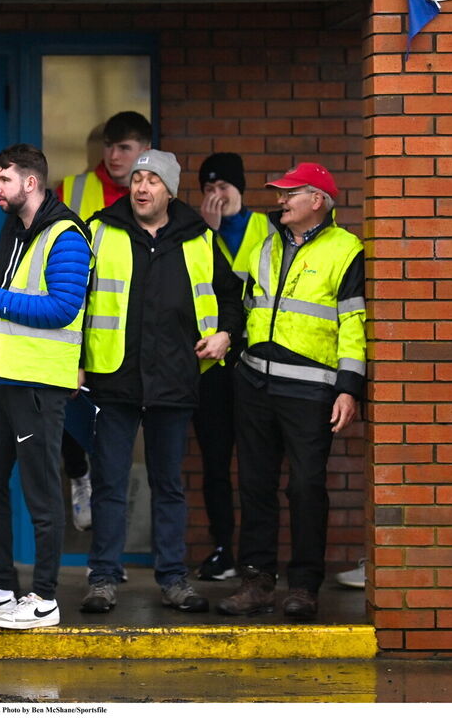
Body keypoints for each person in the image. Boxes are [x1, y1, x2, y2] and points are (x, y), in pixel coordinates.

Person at [79, 149, 244, 615]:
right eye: (137, 179)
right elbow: (77, 299)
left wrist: (225, 336)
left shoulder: (199, 237)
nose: (142, 187)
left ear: (170, 190)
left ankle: (173, 579)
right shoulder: (99, 230)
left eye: (152, 180)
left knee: (168, 483)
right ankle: (104, 578)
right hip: (114, 375)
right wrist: (74, 361)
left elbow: (232, 296)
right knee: (109, 482)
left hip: (175, 377)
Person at [0, 143, 90, 630]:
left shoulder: (65, 235)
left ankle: (44, 598)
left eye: (3, 179)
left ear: (31, 182)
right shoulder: (14, 231)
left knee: (42, 495)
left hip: (36, 384)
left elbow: (63, 307)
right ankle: (1, 589)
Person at [217, 163, 365, 620]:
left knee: (305, 487)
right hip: (255, 381)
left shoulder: (347, 250)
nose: (281, 200)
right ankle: (257, 582)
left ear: (317, 200)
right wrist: (227, 338)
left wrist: (349, 388)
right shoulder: (264, 244)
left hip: (310, 390)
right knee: (256, 486)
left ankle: (303, 586)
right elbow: (243, 304)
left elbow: (354, 323)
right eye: (280, 194)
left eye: (290, 194)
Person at [56, 111, 153, 531]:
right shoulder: (73, 188)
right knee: (66, 411)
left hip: (127, 334)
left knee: (112, 439)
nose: (113, 155)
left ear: (144, 151)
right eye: (109, 146)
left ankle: (109, 553)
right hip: (75, 320)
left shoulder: (153, 195)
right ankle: (78, 476)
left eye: (124, 147)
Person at [191, 152, 270, 581]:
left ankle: (260, 557)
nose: (216, 196)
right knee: (215, 462)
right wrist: (209, 232)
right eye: (208, 188)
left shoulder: (268, 229)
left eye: (223, 187)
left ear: (241, 188)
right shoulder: (198, 234)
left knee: (259, 464)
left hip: (258, 360)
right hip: (213, 366)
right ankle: (223, 548)